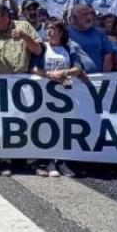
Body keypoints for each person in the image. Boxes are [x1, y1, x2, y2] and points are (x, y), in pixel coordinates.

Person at [32, 21, 85, 178]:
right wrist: (49, 75)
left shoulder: (69, 49)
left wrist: (64, 73)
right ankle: (47, 161)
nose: (48, 32)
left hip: (65, 92)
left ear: (61, 32)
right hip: (45, 93)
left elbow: (78, 68)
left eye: (52, 29)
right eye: (47, 29)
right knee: (46, 126)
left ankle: (62, 161)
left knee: (64, 127)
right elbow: (33, 68)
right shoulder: (42, 48)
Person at [0, 3, 42, 74]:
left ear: (5, 16)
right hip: (1, 78)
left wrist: (25, 37)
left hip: (24, 78)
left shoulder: (24, 26)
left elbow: (38, 51)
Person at [67, 4, 113, 74]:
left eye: (91, 14)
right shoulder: (65, 33)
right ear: (74, 18)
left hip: (98, 78)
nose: (89, 17)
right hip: (74, 80)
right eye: (85, 14)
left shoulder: (100, 32)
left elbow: (107, 55)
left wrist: (105, 77)